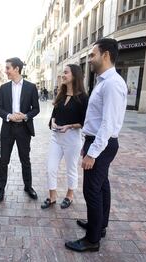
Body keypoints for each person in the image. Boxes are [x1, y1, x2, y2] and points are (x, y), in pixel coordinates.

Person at [65, 38, 127, 252]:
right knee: (102, 186)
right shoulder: (104, 82)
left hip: (102, 143)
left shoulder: (111, 84)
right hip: (97, 141)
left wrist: (92, 153)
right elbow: (97, 120)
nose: (89, 59)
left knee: (92, 190)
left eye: (92, 55)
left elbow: (108, 124)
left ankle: (92, 240)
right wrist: (87, 145)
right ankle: (98, 226)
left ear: (106, 55)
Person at [41, 64, 88, 210]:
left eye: (66, 72)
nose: (63, 75)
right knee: (50, 168)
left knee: (71, 168)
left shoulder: (83, 98)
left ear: (74, 75)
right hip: (56, 137)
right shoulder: (61, 95)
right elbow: (54, 115)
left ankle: (69, 195)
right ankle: (52, 196)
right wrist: (53, 122)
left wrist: (70, 126)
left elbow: (84, 121)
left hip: (72, 139)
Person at [0, 57, 40, 202]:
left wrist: (25, 116)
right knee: (4, 160)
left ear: (16, 69)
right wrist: (9, 116)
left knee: (25, 160)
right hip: (7, 128)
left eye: (8, 68)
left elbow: (36, 109)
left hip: (24, 129)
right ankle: (1, 188)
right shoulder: (4, 88)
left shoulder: (31, 87)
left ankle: (28, 186)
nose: (5, 70)